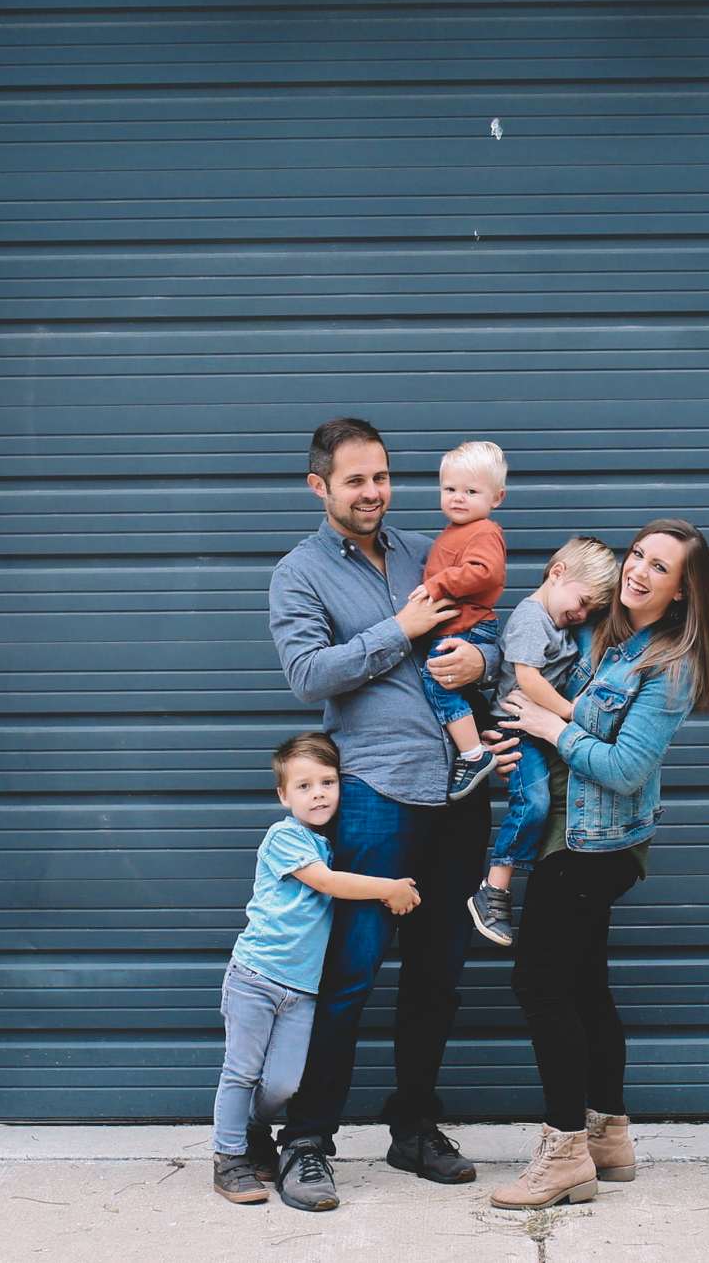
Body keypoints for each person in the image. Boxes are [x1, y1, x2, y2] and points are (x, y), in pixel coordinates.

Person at [264, 417, 516, 1212]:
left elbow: (491, 631)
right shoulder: (297, 573)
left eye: (380, 476)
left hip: (458, 790)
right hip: (373, 794)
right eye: (354, 480)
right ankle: (306, 1140)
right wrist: (397, 629)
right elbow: (308, 673)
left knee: (440, 974)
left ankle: (413, 1126)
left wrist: (486, 660)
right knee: (350, 972)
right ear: (320, 487)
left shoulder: (427, 547)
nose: (372, 492)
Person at [488, 519, 709, 1211]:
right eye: (638, 556)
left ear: (682, 593)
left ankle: (563, 1154)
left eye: (661, 567)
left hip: (597, 842)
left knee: (539, 981)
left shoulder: (670, 665)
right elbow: (521, 667)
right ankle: (608, 1134)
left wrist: (550, 726)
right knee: (585, 984)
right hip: (566, 826)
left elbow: (623, 768)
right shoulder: (597, 632)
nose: (640, 571)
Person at [212, 734, 421, 1205]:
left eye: (328, 782)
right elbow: (327, 884)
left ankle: (252, 1130)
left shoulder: (324, 844)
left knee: (285, 1082)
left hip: (301, 989)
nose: (319, 793)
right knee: (241, 1072)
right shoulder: (285, 837)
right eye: (304, 786)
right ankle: (228, 1158)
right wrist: (389, 887)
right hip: (256, 976)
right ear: (284, 797)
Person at [468, 537, 619, 947]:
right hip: (516, 730)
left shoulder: (558, 622)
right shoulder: (532, 618)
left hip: (534, 730)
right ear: (557, 573)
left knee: (543, 803)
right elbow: (530, 679)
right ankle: (494, 889)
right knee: (532, 802)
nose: (582, 614)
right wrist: (571, 714)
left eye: (591, 611)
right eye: (583, 601)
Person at [417, 440, 511, 803]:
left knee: (438, 681)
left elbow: (485, 573)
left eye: (471, 491)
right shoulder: (453, 531)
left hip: (470, 625)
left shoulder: (485, 531)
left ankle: (474, 755)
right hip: (459, 625)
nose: (458, 498)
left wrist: (436, 584)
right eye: (450, 489)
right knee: (442, 681)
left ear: (496, 498)